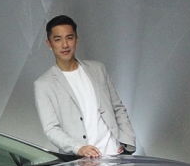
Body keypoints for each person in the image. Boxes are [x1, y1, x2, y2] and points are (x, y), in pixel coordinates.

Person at [34, 15, 136, 158]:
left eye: (69, 38)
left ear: (76, 39)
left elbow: (117, 107)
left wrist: (126, 142)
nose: (65, 45)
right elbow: (51, 129)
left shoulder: (98, 69)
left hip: (117, 155)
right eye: (58, 39)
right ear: (49, 43)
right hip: (82, 161)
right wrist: (78, 148)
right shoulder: (43, 84)